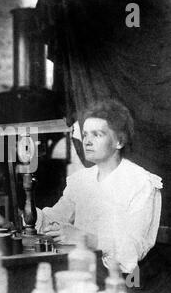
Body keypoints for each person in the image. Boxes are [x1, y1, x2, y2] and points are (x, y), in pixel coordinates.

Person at [39, 99, 162, 278]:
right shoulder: (81, 180)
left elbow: (132, 250)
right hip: (80, 268)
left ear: (119, 141)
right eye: (85, 134)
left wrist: (83, 238)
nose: (87, 142)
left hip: (123, 279)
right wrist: (21, 217)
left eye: (97, 134)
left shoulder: (141, 183)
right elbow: (53, 218)